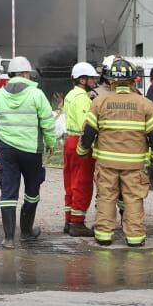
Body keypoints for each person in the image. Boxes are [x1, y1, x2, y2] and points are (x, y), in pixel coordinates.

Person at [78, 58, 153, 247]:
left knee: (106, 197)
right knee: (133, 199)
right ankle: (134, 237)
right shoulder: (145, 104)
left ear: (111, 80)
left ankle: (103, 235)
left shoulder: (100, 102)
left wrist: (82, 150)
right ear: (133, 80)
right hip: (134, 165)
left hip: (106, 163)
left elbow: (88, 132)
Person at [0, 56, 56, 248]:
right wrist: (51, 142)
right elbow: (47, 121)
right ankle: (26, 232)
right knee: (32, 191)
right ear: (25, 74)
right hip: (32, 152)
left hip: (7, 151)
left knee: (8, 191)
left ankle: (9, 238)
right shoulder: (37, 95)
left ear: (11, 74)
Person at [62, 62, 98, 237]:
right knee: (82, 183)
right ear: (82, 80)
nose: (94, 81)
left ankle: (69, 220)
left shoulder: (70, 95)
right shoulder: (83, 98)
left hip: (70, 140)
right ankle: (77, 223)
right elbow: (87, 124)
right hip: (80, 142)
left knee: (70, 182)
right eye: (91, 78)